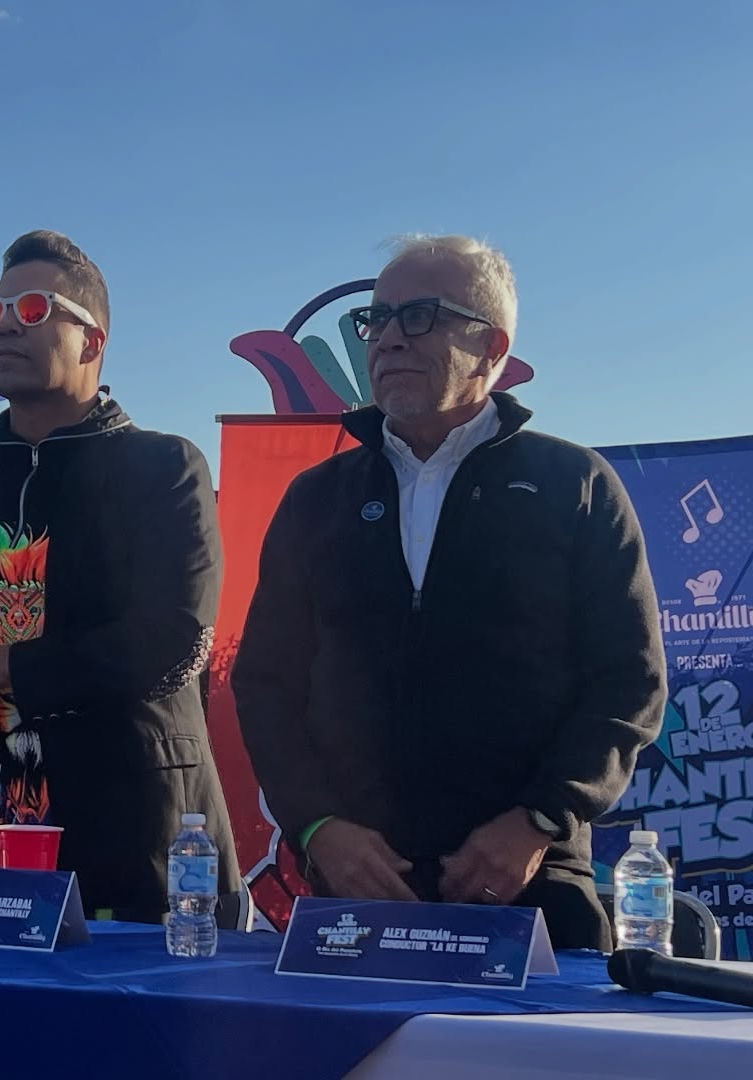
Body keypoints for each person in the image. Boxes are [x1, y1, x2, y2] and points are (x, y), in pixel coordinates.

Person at [232, 235, 665, 950]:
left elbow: (630, 684)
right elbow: (267, 684)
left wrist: (540, 820)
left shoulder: (575, 485)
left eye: (421, 316)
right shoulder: (316, 498)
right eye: (378, 319)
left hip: (531, 889)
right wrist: (317, 827)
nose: (389, 339)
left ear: (492, 347)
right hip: (354, 890)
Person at [0, 230, 239, 924]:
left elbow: (174, 641)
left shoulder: (162, 467)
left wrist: (6, 666)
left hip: (135, 838)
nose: (7, 323)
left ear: (92, 342)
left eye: (36, 309)